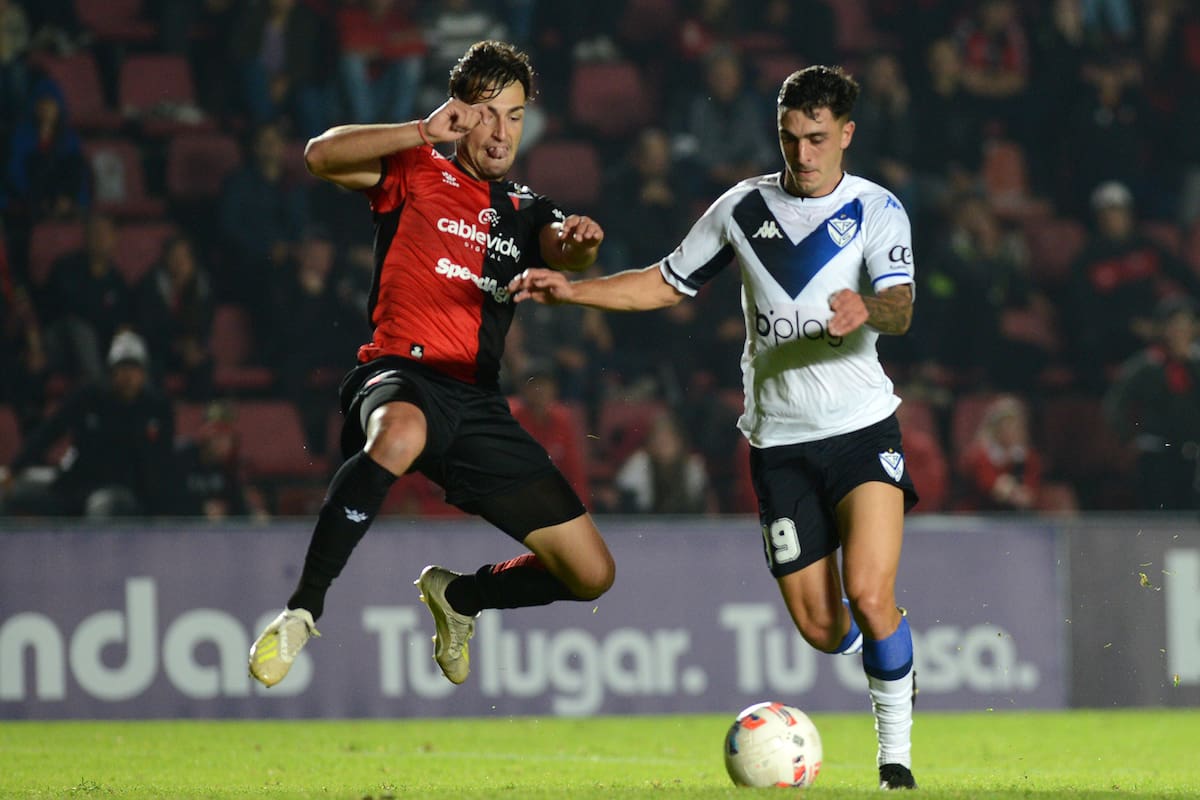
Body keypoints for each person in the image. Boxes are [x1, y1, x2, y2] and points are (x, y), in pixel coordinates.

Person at [511, 65, 920, 791]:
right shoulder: (741, 209)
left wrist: (867, 307)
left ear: (847, 135)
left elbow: (902, 304)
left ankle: (896, 761)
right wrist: (572, 292)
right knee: (826, 632)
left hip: (861, 428)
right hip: (780, 445)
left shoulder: (877, 210)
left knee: (869, 589)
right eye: (790, 138)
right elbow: (663, 282)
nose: (803, 154)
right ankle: (886, 646)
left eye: (818, 138)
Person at [248, 40, 615, 694]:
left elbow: (565, 248)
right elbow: (318, 156)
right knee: (400, 433)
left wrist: (580, 245)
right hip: (398, 374)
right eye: (490, 113)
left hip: (475, 404)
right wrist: (421, 129)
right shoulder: (416, 166)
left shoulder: (526, 208)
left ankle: (462, 599)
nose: (503, 131)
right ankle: (303, 610)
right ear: (461, 112)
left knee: (591, 573)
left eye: (517, 115)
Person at [0, 330, 176, 518]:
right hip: (74, 486)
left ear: (143, 374)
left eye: (134, 369)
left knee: (100, 507)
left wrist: (160, 508)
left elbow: (161, 464)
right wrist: (12, 469)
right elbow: (50, 431)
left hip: (121, 492)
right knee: (8, 494)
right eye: (122, 368)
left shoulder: (156, 409)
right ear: (111, 372)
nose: (128, 376)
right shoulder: (89, 397)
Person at [1103, 294, 1200, 511]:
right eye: (1174, 325)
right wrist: (1130, 437)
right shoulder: (1147, 366)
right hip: (1156, 452)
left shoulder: (1196, 364)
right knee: (1158, 512)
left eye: (1186, 326)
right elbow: (1114, 404)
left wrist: (1190, 362)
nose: (1180, 332)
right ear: (1163, 329)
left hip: (1193, 453)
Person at [955, 394, 1043, 512]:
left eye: (1015, 426)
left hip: (1016, 518)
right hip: (978, 515)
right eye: (1006, 426)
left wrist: (1017, 493)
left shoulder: (1030, 458)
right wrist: (1007, 490)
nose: (1011, 431)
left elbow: (1030, 492)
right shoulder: (978, 455)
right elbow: (990, 487)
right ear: (995, 428)